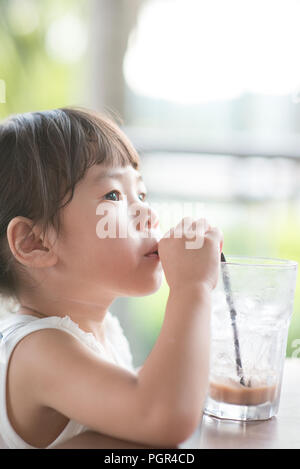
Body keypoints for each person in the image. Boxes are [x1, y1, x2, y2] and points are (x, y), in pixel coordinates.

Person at [0, 107, 223, 449]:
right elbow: (162, 415)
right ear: (35, 242)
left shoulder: (102, 332)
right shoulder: (38, 350)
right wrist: (192, 288)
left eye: (142, 195)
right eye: (113, 196)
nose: (147, 213)